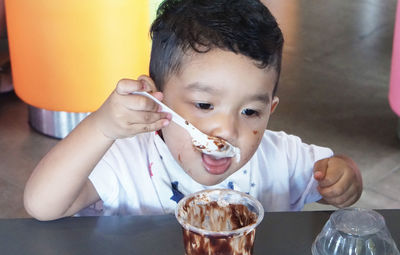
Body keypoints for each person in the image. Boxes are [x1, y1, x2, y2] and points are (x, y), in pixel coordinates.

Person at [23, 0, 363, 220]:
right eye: (204, 105)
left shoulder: (281, 159)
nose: (227, 130)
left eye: (250, 113)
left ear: (270, 109)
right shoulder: (127, 160)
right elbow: (41, 206)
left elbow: (337, 169)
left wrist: (345, 176)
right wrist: (101, 128)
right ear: (159, 97)